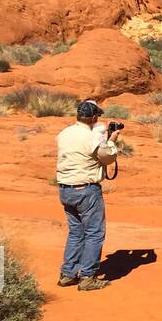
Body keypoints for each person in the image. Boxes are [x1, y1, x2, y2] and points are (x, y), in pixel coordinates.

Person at [56, 100, 119, 291]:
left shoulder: (64, 133)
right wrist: (112, 141)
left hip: (65, 189)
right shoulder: (91, 136)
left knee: (76, 232)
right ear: (93, 117)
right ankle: (87, 277)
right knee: (94, 233)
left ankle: (68, 274)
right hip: (86, 190)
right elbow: (107, 157)